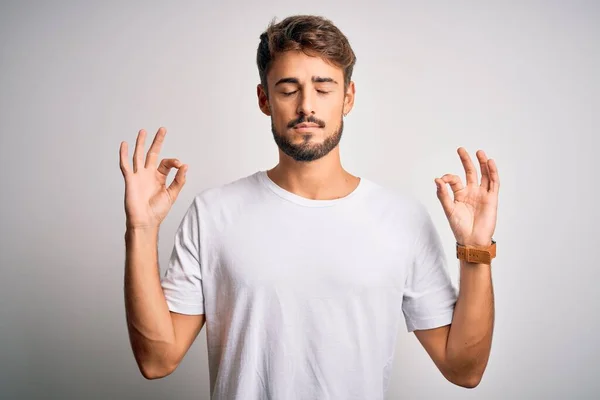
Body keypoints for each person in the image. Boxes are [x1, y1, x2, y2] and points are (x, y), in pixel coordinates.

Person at [120, 14, 499, 399]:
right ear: (264, 99)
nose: (306, 107)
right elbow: (156, 360)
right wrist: (141, 229)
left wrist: (476, 251)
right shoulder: (214, 214)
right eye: (288, 90)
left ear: (348, 98)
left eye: (324, 88)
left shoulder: (401, 219)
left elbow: (463, 370)